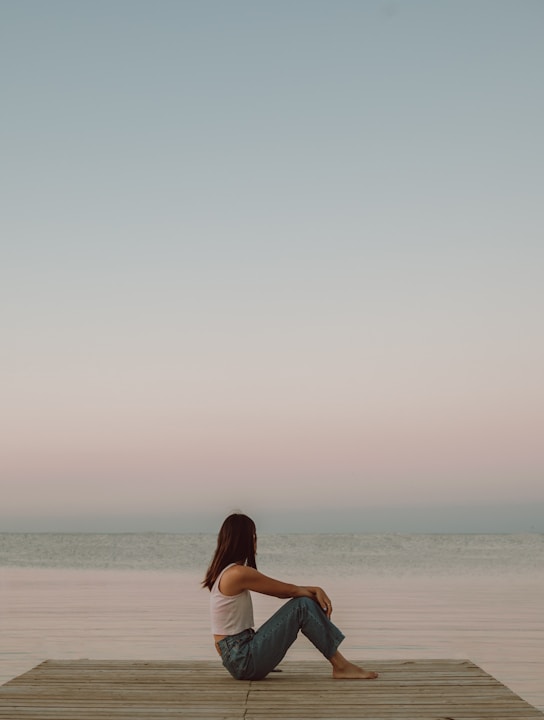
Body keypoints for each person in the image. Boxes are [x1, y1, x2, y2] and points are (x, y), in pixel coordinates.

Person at [202, 512, 378, 681]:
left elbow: (287, 590)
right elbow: (286, 592)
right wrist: (315, 590)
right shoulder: (237, 573)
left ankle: (339, 664)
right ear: (245, 540)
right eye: (254, 536)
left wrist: (312, 590)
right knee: (302, 605)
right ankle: (340, 666)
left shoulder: (226, 572)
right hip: (243, 660)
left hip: (241, 655)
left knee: (302, 602)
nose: (256, 541)